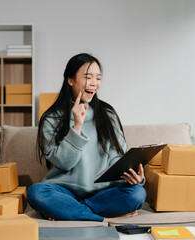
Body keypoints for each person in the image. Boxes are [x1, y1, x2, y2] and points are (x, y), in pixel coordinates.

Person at [27, 53, 146, 222]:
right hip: (65, 191)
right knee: (36, 193)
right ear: (70, 80)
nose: (94, 83)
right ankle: (101, 217)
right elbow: (64, 163)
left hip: (103, 192)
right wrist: (77, 126)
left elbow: (116, 158)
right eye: (88, 77)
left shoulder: (108, 114)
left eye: (98, 78)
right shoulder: (51, 119)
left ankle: (71, 211)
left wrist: (134, 177)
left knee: (137, 194)